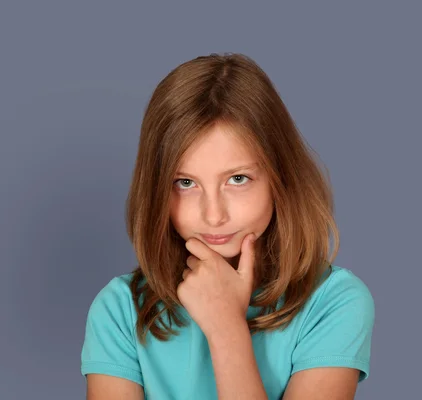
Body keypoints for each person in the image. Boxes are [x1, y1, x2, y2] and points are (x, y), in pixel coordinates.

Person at [80, 52, 375, 400]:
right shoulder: (120, 310)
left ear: (281, 179)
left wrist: (227, 330)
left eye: (237, 179)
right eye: (185, 183)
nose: (214, 215)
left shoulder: (333, 303)